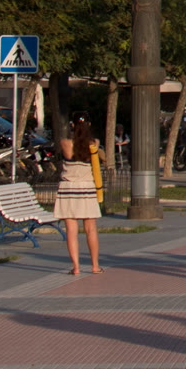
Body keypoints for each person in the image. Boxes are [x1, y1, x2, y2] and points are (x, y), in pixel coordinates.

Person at [57, 118, 104, 277]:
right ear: (88, 124)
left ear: (72, 125)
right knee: (91, 228)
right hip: (87, 188)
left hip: (68, 189)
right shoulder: (94, 143)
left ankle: (76, 267)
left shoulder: (65, 143)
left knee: (71, 230)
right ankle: (95, 265)